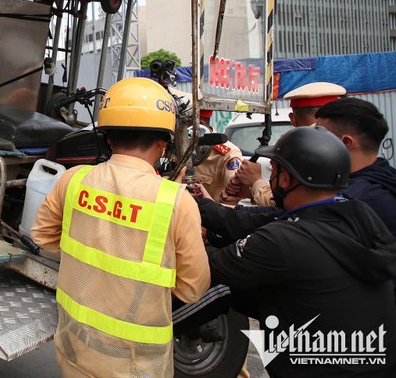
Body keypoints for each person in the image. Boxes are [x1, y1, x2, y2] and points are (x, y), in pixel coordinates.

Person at [31, 77, 210, 378]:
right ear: (163, 142)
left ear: (109, 137)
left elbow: (43, 237)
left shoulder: (72, 180)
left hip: (74, 347)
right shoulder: (176, 203)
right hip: (137, 363)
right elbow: (192, 289)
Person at [208, 126, 396, 377]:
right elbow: (264, 218)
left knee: (219, 287)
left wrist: (187, 230)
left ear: (285, 179)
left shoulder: (284, 240)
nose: (271, 178)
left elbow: (210, 266)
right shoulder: (361, 215)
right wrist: (202, 209)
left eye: (273, 171)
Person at [227, 81, 346, 205]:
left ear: (292, 119)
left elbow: (287, 203)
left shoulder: (303, 149)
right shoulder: (341, 145)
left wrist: (255, 180)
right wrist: (250, 191)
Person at [315, 97, 396, 237]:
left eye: (318, 138)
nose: (313, 145)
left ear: (346, 142)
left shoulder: (355, 202)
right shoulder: (386, 177)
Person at [193, 109, 244, 204]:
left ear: (200, 124)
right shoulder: (180, 147)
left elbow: (233, 189)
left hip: (207, 215)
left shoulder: (227, 154)